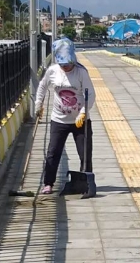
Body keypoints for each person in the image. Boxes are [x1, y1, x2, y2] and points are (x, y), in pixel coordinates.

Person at [34, 37, 96, 195]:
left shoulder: (81, 72)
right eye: (63, 64)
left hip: (80, 121)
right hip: (58, 120)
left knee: (85, 153)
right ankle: (48, 183)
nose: (66, 66)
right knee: (53, 152)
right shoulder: (52, 71)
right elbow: (42, 86)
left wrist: (83, 113)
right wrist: (38, 105)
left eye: (68, 63)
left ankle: (86, 182)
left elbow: (91, 94)